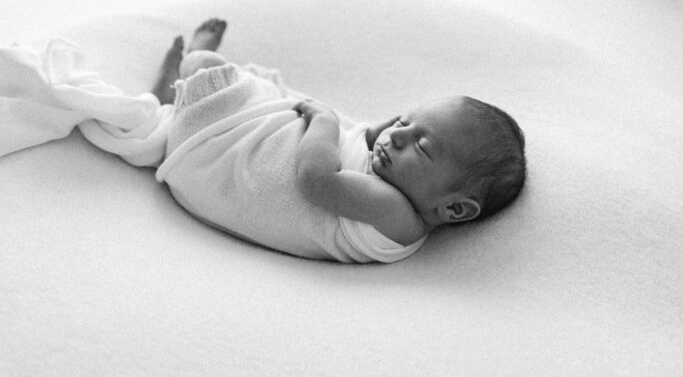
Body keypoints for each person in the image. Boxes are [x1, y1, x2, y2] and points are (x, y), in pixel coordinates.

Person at [153, 19, 526, 264]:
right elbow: (367, 136)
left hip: (211, 160)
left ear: (455, 209)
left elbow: (316, 180)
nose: (396, 135)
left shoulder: (398, 214)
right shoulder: (396, 191)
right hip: (204, 173)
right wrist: (397, 130)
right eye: (404, 121)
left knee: (211, 70)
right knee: (215, 105)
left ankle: (182, 76)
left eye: (422, 146)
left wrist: (325, 121)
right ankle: (173, 103)